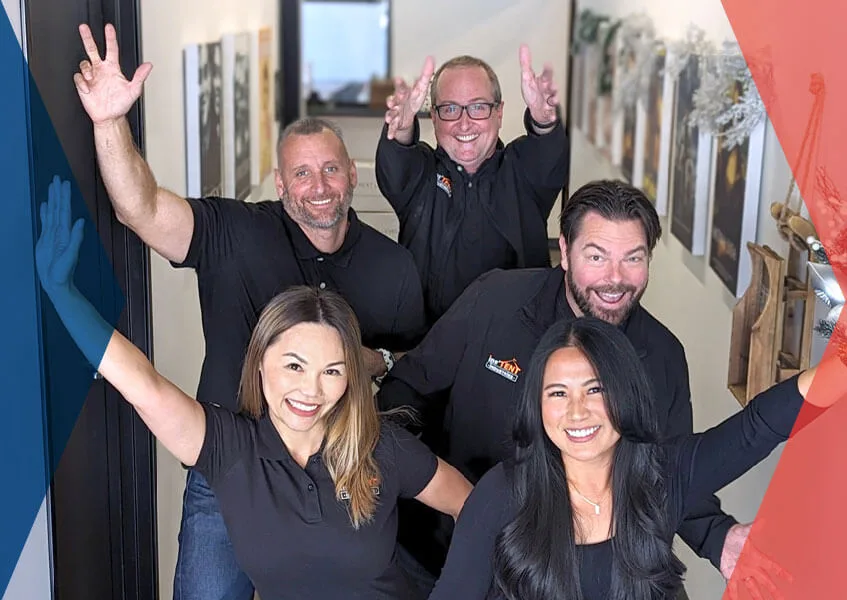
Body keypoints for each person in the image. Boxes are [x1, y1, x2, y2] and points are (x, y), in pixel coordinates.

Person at [73, 23, 427, 600]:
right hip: (230, 470)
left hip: (338, 476)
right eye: (301, 174)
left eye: (331, 169)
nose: (319, 186)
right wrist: (109, 122)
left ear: (352, 173)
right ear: (282, 185)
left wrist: (375, 360)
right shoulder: (233, 232)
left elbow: (414, 363)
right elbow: (141, 209)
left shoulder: (393, 267)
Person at [34, 176, 473, 600]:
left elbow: (470, 506)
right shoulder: (229, 449)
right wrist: (62, 293)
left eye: (332, 371)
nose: (311, 390)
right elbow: (143, 385)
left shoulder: (380, 446)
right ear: (260, 363)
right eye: (294, 366)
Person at [376, 180, 743, 587]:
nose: (615, 279)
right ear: (565, 252)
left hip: (577, 579)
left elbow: (670, 470)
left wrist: (719, 536)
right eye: (596, 256)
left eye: (633, 258)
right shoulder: (493, 300)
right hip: (448, 554)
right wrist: (420, 486)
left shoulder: (663, 356)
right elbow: (406, 391)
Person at [427, 316, 840, 599]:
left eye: (595, 389)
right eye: (558, 393)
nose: (576, 412)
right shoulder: (503, 493)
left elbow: (758, 427)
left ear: (625, 394)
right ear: (537, 406)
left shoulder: (665, 474)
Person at [376, 46, 570, 323]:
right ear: (434, 117)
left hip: (516, 338)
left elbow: (548, 155)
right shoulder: (421, 174)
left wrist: (544, 123)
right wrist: (402, 129)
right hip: (429, 339)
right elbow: (397, 166)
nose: (464, 124)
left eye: (478, 107)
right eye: (450, 109)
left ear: (499, 113)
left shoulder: (522, 170)